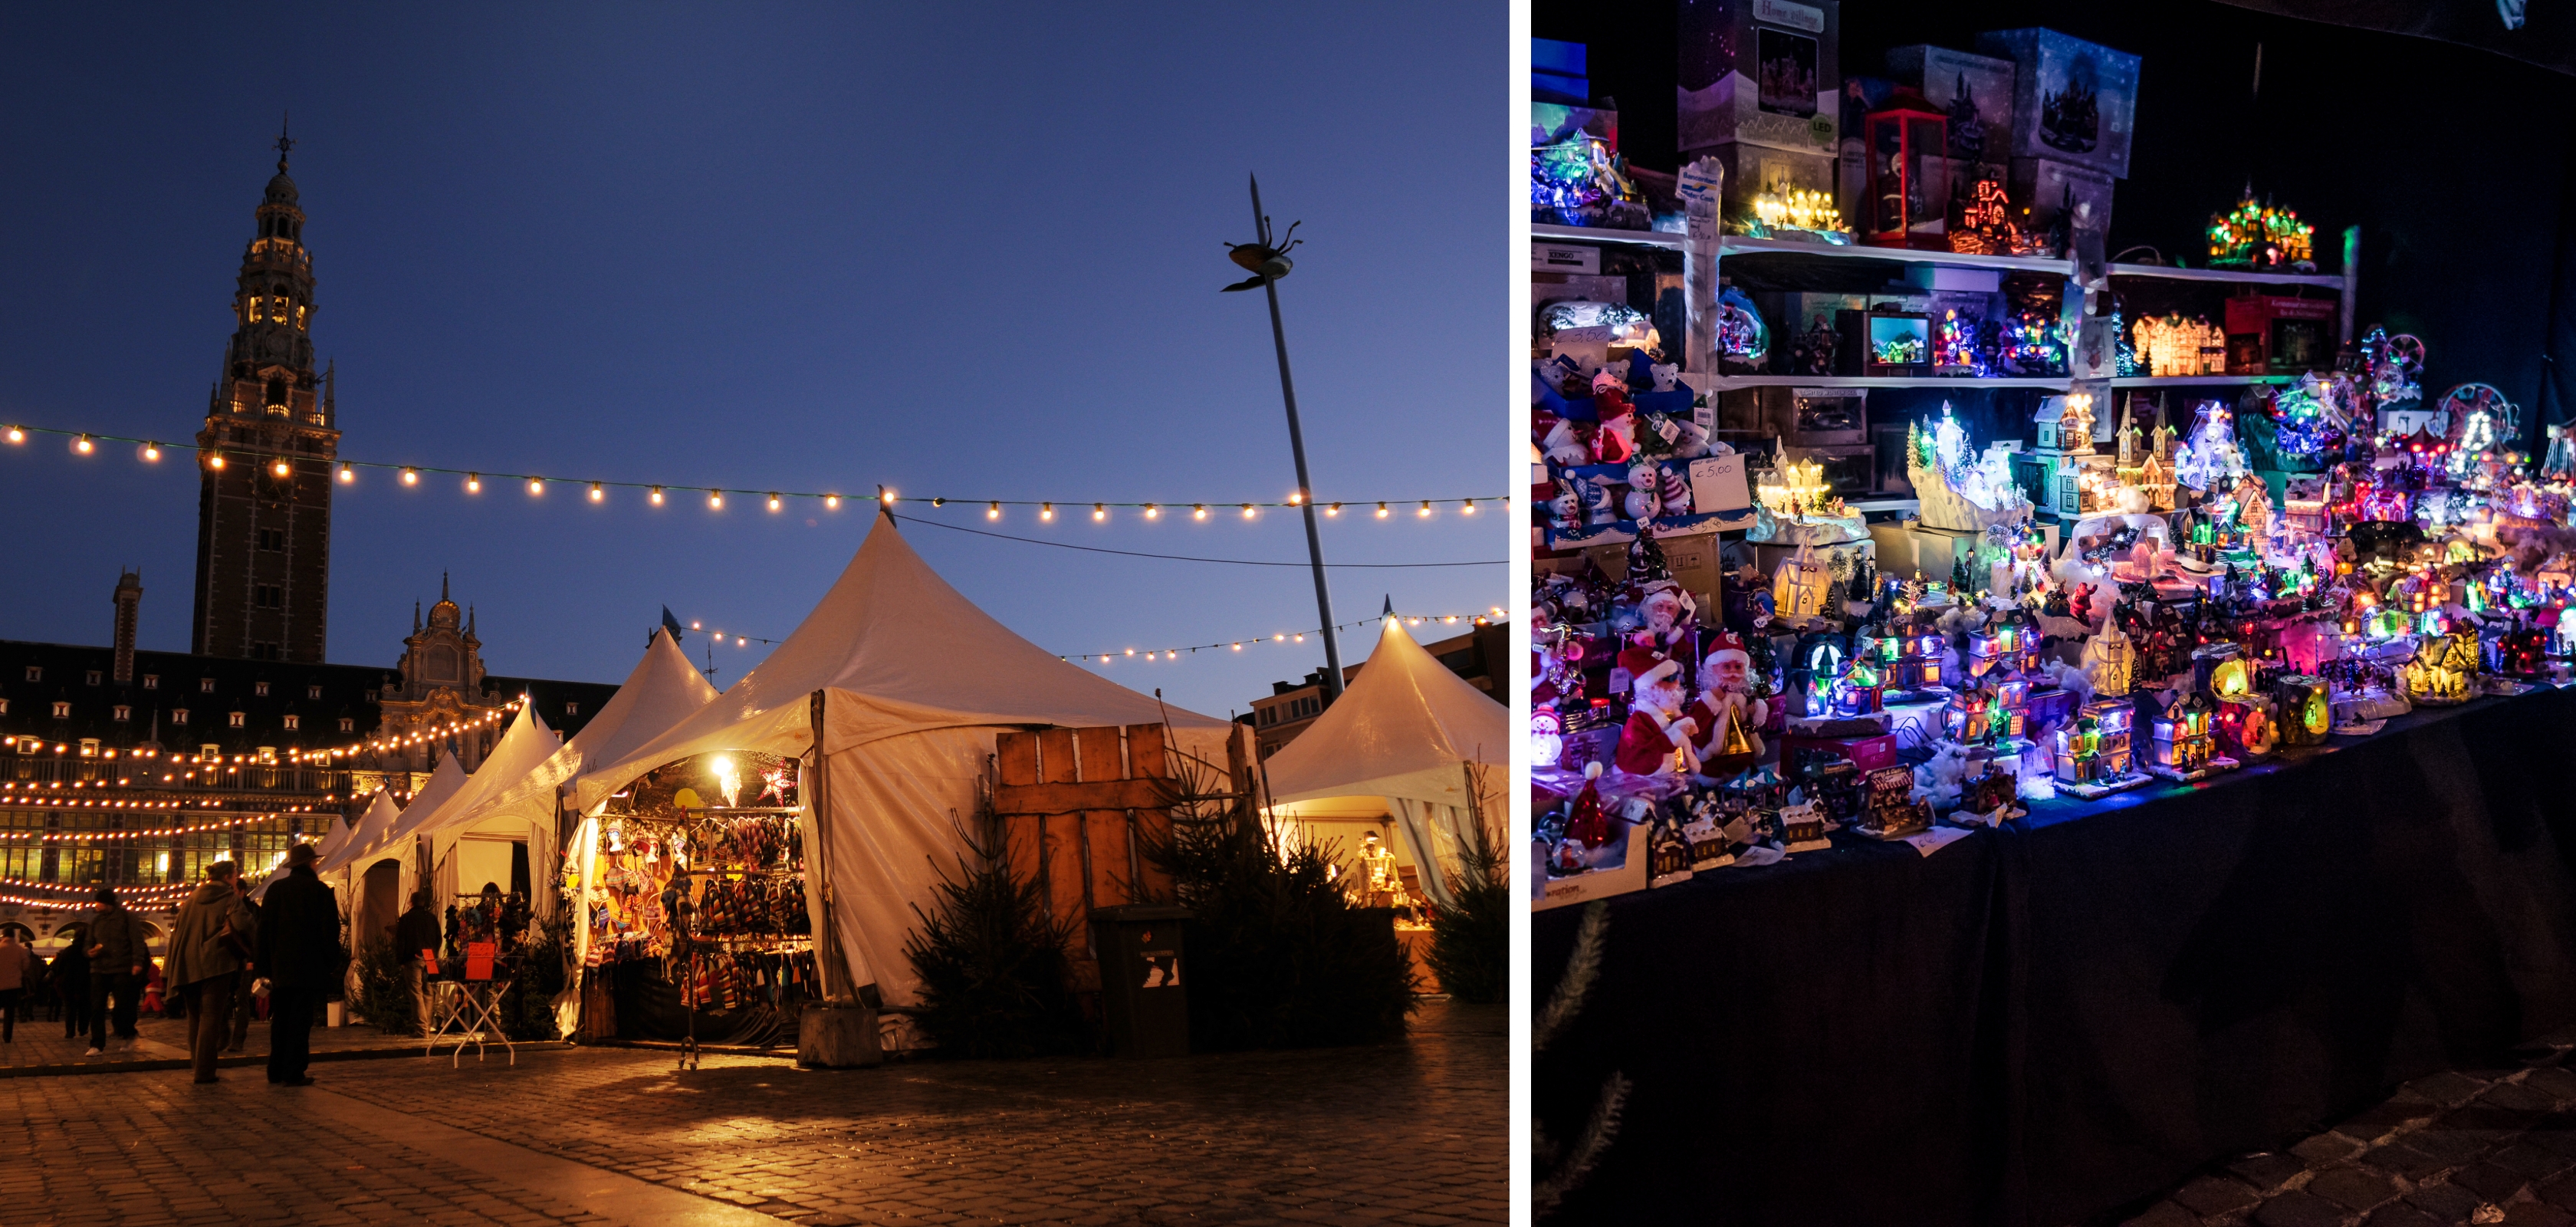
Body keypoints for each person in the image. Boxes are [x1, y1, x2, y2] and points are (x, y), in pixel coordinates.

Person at [255, 843, 340, 1086]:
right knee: (301, 1021)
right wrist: (329, 963)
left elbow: (263, 932)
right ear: (310, 864)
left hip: (279, 969)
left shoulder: (275, 890)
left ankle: (276, 1068)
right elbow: (329, 932)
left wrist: (262, 968)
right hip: (309, 968)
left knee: (280, 1018)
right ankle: (293, 1070)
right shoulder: (320, 891)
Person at [165, 860, 257, 1084]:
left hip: (187, 965)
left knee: (195, 1018)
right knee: (210, 1017)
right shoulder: (228, 897)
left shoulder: (193, 899)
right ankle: (204, 1072)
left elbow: (178, 931)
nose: (236, 880)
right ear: (227, 877)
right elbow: (244, 925)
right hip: (215, 963)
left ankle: (198, 1064)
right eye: (235, 876)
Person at [83, 886, 150, 1056]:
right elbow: (87, 943)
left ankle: (128, 1033)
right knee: (96, 1007)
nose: (96, 906)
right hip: (99, 968)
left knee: (122, 1008)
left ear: (108, 903)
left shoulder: (127, 917)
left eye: (98, 903)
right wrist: (89, 952)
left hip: (122, 968)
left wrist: (137, 962)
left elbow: (137, 941)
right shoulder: (96, 922)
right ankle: (97, 1044)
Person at [394, 889, 441, 1035]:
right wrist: (434, 953)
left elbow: (401, 941)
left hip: (413, 958)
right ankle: (426, 1027)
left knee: (416, 992)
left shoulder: (406, 919)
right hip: (430, 958)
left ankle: (421, 1030)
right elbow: (439, 939)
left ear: (411, 903)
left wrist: (401, 959)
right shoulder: (432, 918)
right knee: (428, 992)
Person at [0, 929, 40, 1044]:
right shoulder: (19, 950)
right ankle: (7, 1036)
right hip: (13, 985)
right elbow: (26, 965)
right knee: (10, 1012)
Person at [49, 942, 87, 1038]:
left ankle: (70, 1031)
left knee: (70, 1009)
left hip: (69, 982)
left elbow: (60, 968)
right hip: (83, 981)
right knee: (83, 1007)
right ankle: (82, 1029)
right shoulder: (85, 950)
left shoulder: (68, 950)